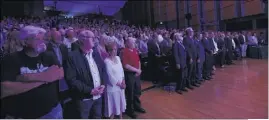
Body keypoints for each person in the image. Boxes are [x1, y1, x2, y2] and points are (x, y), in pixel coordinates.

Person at [1, 25, 64, 119]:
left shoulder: (49, 55)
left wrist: (27, 77)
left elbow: (60, 74)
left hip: (52, 112)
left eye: (43, 39)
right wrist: (46, 76)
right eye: (37, 39)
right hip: (23, 115)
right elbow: (5, 90)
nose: (42, 42)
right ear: (25, 41)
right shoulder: (11, 59)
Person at [64, 30, 107, 119]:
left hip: (98, 96)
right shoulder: (72, 56)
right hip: (84, 99)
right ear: (83, 40)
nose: (95, 40)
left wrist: (102, 84)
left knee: (97, 117)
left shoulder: (95, 52)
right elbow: (72, 80)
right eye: (93, 38)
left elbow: (102, 70)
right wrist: (90, 90)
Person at [121, 37, 146, 119]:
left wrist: (139, 69)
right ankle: (130, 110)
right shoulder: (124, 51)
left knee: (137, 91)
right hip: (129, 74)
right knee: (130, 92)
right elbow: (126, 65)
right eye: (132, 42)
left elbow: (138, 61)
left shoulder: (135, 50)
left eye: (134, 42)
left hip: (137, 73)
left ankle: (137, 106)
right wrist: (137, 70)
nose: (134, 44)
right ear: (127, 43)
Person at [104, 42, 126, 119]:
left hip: (121, 86)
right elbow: (110, 76)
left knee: (120, 104)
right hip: (113, 87)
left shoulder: (118, 58)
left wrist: (123, 81)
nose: (115, 51)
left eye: (116, 49)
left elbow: (122, 70)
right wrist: (120, 84)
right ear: (109, 51)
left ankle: (121, 118)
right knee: (113, 106)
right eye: (113, 49)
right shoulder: (106, 61)